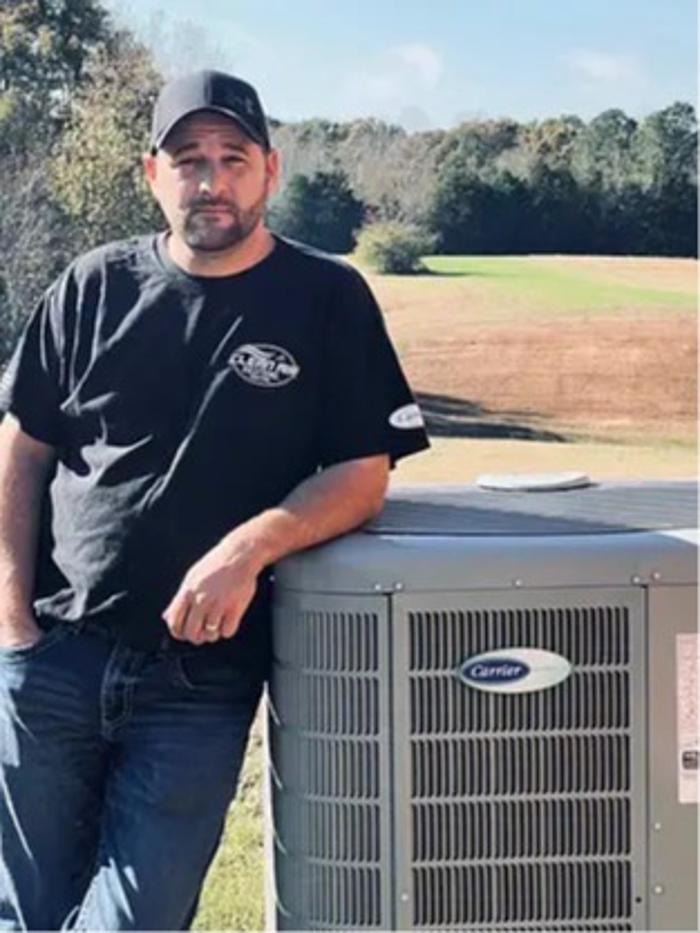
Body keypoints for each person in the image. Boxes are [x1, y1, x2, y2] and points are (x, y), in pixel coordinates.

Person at [0, 70, 429, 930]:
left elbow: (362, 471)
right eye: (187, 158)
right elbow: (21, 451)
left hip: (198, 679)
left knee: (138, 917)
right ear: (150, 173)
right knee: (27, 910)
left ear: (270, 169)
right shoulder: (91, 287)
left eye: (232, 157)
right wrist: (12, 621)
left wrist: (248, 549)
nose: (211, 179)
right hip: (55, 658)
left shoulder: (327, 299)